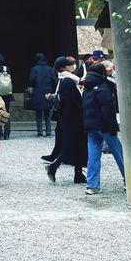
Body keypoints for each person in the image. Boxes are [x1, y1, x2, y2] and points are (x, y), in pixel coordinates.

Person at [83, 63, 125, 195]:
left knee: (93, 155)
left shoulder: (87, 87)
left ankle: (92, 185)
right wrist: (113, 126)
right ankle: (129, 180)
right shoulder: (103, 86)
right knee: (119, 152)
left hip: (91, 125)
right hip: (104, 125)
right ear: (102, 73)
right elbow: (107, 109)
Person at [45, 56, 87, 184]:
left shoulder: (65, 80)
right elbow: (72, 102)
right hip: (73, 118)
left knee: (76, 145)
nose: (73, 65)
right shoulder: (68, 82)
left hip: (69, 117)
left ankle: (78, 173)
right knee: (72, 145)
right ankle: (54, 166)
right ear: (64, 67)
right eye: (70, 64)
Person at [28, 53, 57, 137]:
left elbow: (31, 79)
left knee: (38, 114)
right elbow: (54, 79)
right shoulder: (50, 69)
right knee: (47, 114)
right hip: (48, 92)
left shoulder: (34, 69)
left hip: (38, 92)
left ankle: (40, 132)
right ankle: (48, 132)